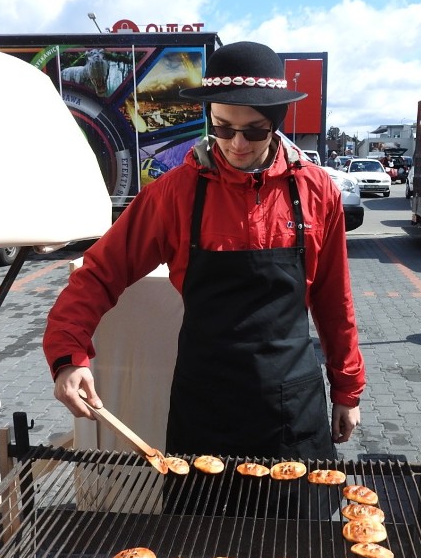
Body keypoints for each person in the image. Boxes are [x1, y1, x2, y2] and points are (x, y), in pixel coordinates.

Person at [43, 41, 365, 462]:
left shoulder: (317, 192)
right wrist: (69, 355)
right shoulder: (175, 194)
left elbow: (333, 298)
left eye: (253, 131)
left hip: (291, 406)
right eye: (222, 127)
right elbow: (100, 273)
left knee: (299, 529)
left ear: (276, 123)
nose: (236, 144)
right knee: (199, 527)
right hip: (205, 405)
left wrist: (347, 389)